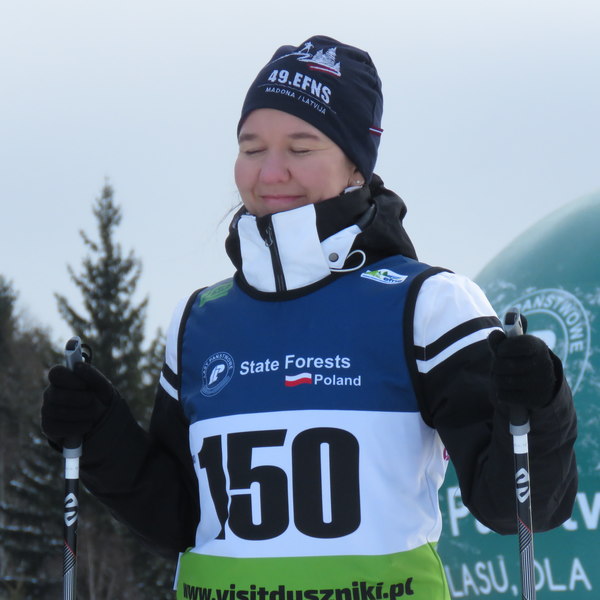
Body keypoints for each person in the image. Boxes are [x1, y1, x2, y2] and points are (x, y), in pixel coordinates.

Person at [42, 35, 577, 600]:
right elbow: (179, 520)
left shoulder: (428, 305)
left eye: (301, 148)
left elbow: (518, 507)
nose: (271, 172)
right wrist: (100, 436)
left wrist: (540, 405)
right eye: (252, 149)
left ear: (356, 165)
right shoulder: (199, 320)